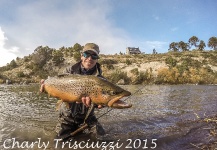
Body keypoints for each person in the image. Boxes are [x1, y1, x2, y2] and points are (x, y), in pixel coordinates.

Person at [40, 43, 105, 140]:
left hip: (88, 118)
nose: (90, 58)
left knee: (102, 138)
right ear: (81, 56)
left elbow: (100, 100)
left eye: (94, 56)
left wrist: (100, 104)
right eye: (87, 54)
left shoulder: (100, 80)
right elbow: (58, 90)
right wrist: (46, 89)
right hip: (67, 117)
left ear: (97, 59)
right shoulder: (69, 70)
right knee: (58, 142)